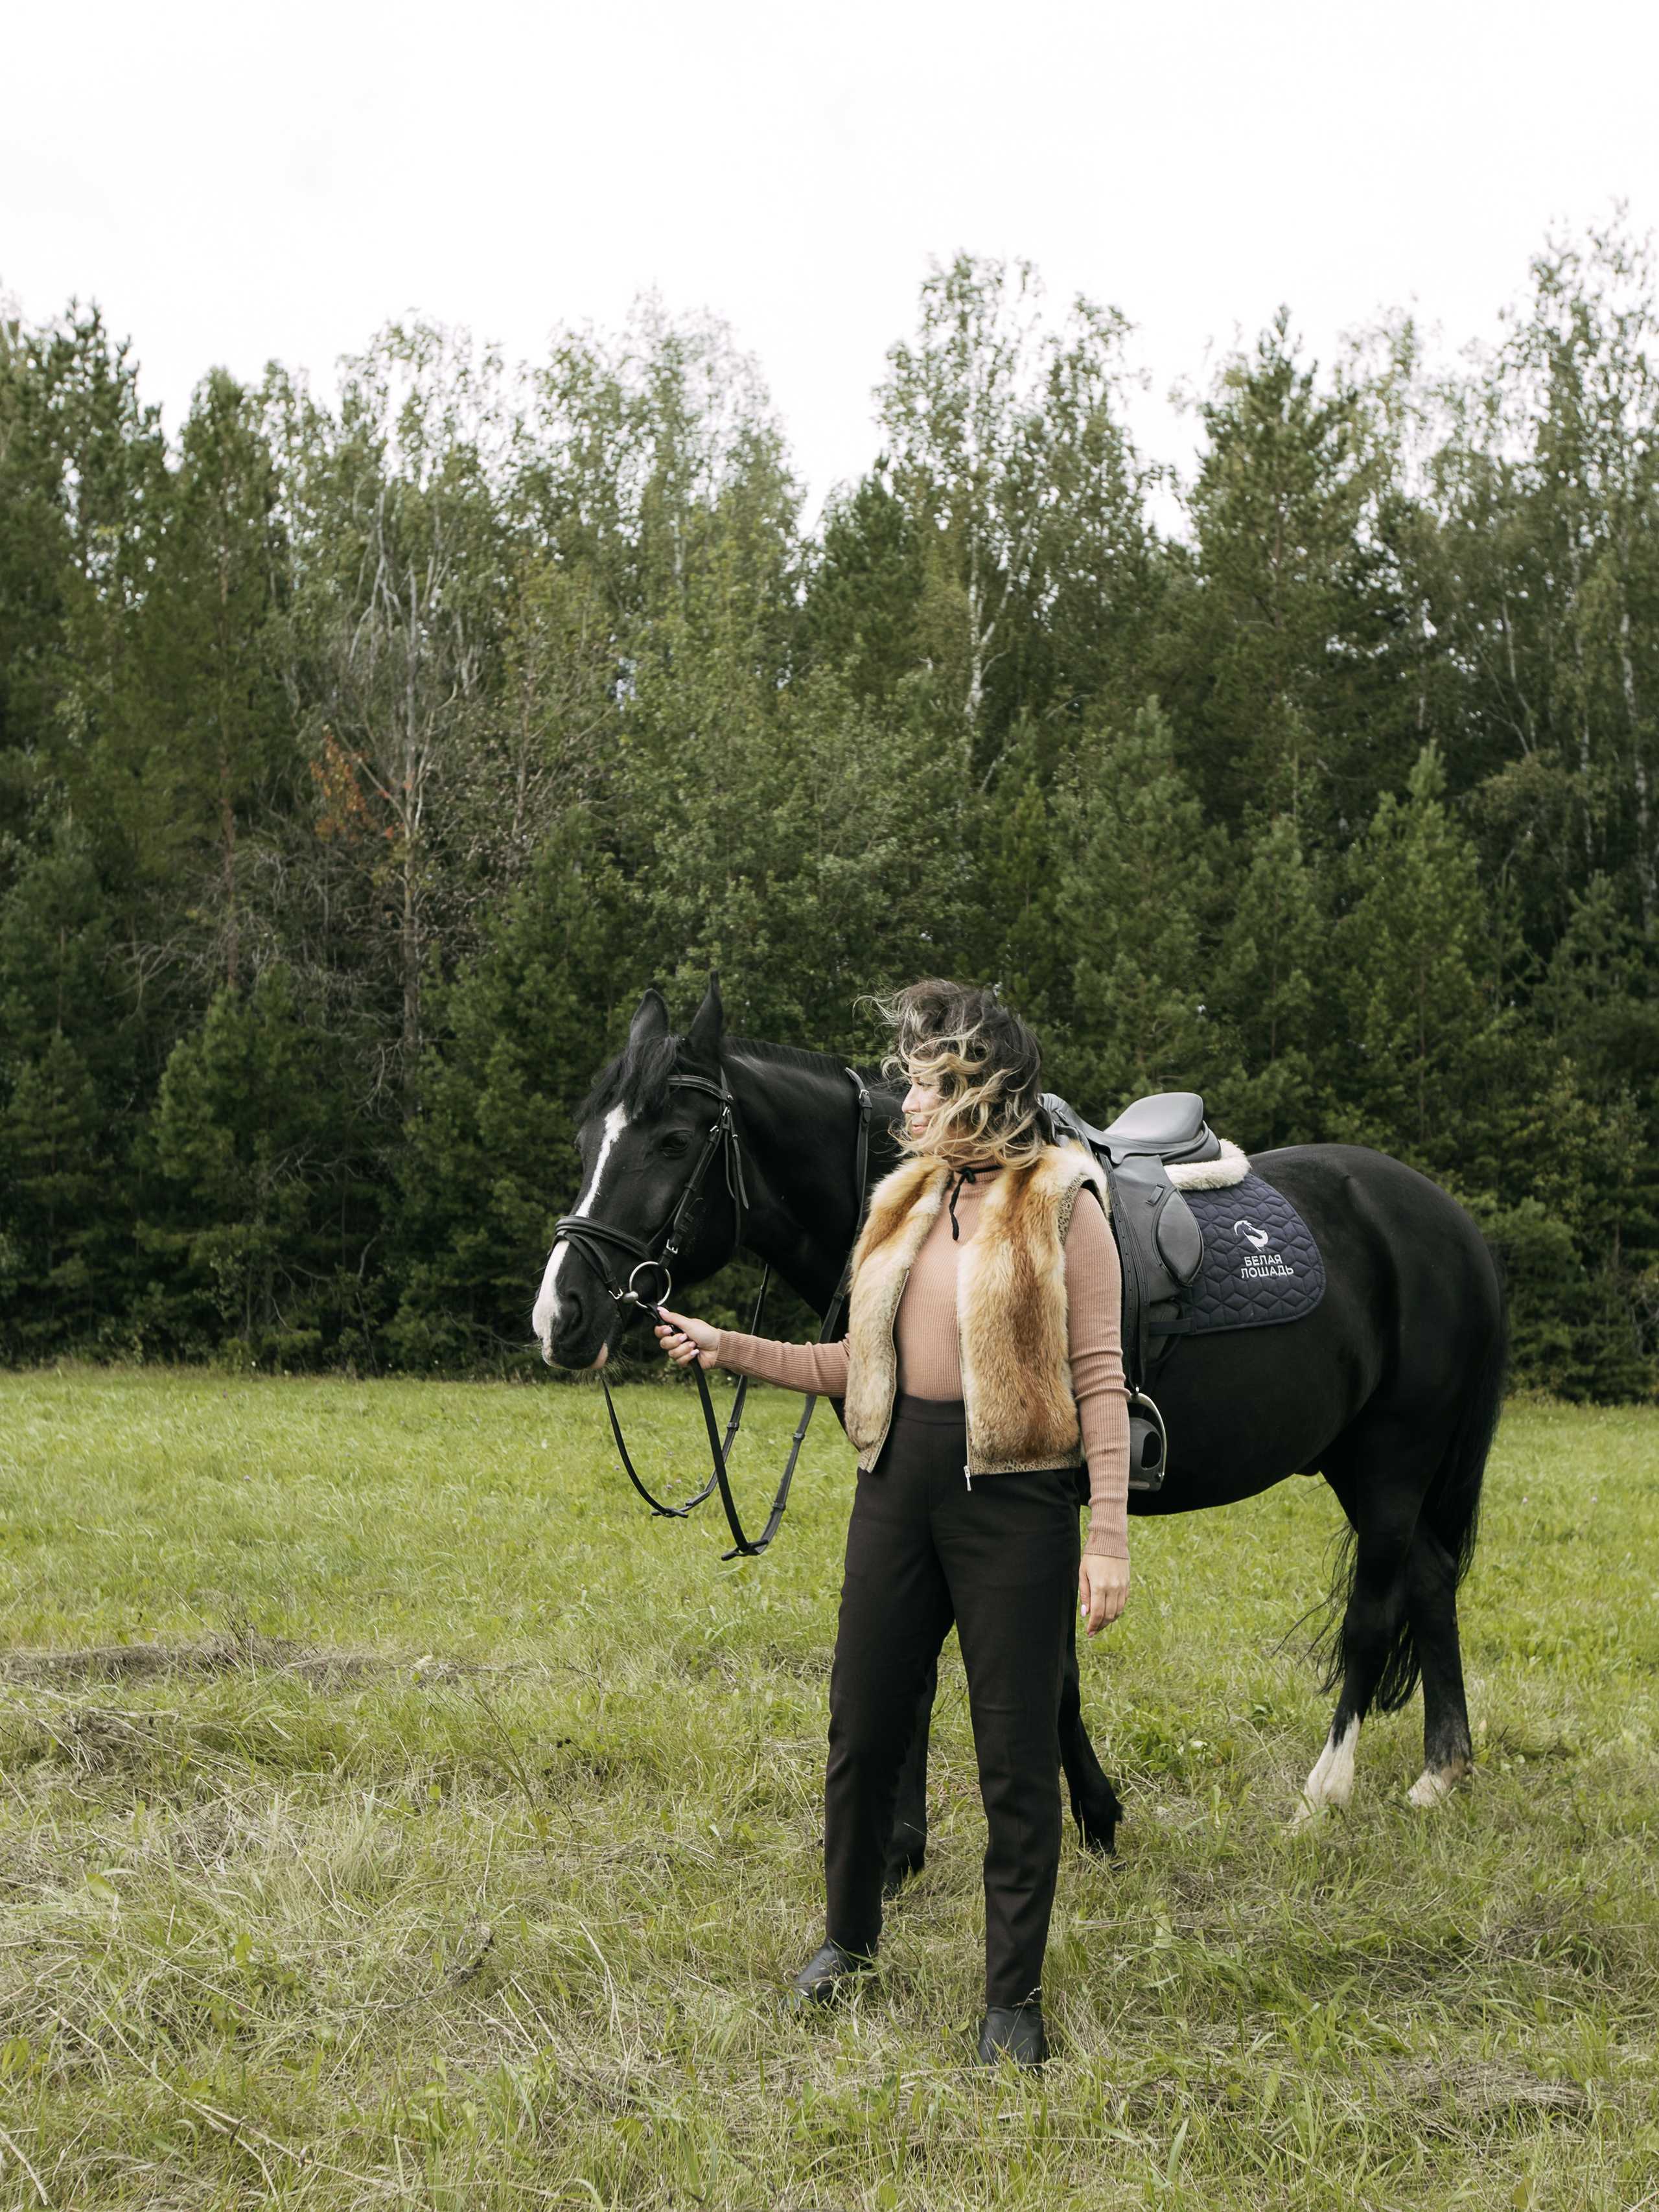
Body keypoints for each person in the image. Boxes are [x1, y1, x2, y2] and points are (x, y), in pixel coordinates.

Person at [656, 980, 1130, 2069]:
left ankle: (1011, 2002)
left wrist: (1106, 1536)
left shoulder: (1066, 1201)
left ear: (979, 1089)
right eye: (909, 1081)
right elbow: (851, 1363)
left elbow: (1101, 1380)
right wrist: (728, 1344)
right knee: (862, 1728)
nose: (903, 1101)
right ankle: (848, 1940)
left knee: (1013, 1760)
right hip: (893, 1482)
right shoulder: (901, 1201)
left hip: (1016, 1500)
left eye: (922, 1083)